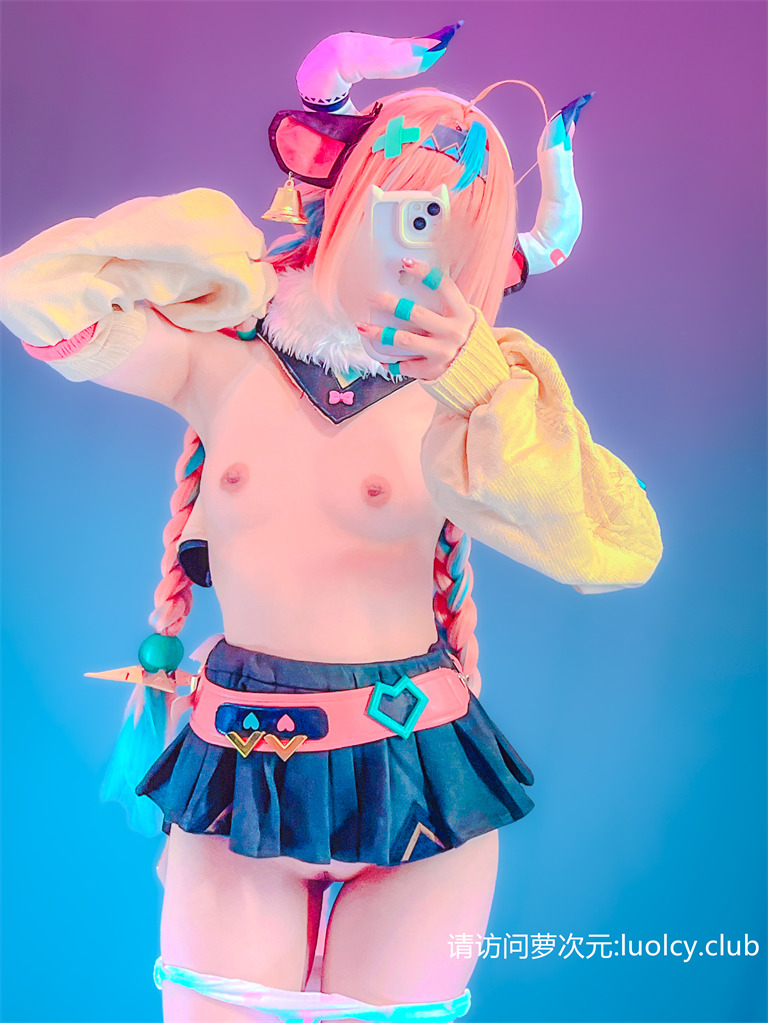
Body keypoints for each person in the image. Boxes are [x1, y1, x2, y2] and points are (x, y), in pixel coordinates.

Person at [0, 25, 662, 1023]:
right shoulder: (222, 357)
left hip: (422, 775)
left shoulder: (481, 399)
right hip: (240, 768)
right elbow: (34, 296)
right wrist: (209, 250)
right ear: (342, 198)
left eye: (451, 228)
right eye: (401, 209)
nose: (416, 248)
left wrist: (479, 381)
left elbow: (614, 549)